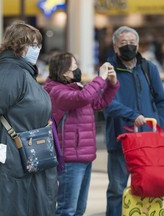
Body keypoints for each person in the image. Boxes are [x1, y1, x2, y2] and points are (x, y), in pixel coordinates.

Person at [0, 20, 57, 215]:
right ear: (17, 45)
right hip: (10, 152)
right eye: (33, 44)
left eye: (39, 45)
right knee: (7, 202)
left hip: (23, 153)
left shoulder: (22, 72)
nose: (37, 49)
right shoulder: (10, 72)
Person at [103, 26, 164, 216]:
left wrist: (162, 132)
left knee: (148, 187)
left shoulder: (149, 68)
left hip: (148, 142)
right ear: (115, 47)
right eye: (124, 43)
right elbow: (106, 104)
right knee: (117, 189)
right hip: (120, 140)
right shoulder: (109, 70)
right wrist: (133, 115)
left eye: (132, 43)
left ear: (138, 45)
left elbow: (161, 102)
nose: (129, 46)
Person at [43, 52, 119, 216]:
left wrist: (111, 85)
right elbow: (84, 97)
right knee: (66, 210)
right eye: (75, 67)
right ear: (64, 72)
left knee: (79, 209)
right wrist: (100, 78)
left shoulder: (75, 87)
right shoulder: (55, 91)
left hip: (83, 155)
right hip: (70, 157)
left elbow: (98, 102)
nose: (78, 71)